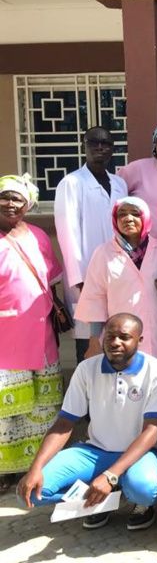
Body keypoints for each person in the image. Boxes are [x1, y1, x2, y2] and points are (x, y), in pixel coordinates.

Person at [17, 313, 157, 531]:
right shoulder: (86, 369)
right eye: (110, 336)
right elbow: (64, 425)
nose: (115, 342)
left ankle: (134, 500)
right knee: (33, 491)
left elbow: (151, 432)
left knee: (143, 490)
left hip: (141, 454)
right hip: (96, 452)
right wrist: (36, 467)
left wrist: (109, 476)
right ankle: (99, 501)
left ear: (140, 340)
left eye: (124, 337)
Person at [0, 175, 63, 491]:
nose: (11, 204)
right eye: (5, 197)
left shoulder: (38, 236)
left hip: (40, 333)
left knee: (39, 405)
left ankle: (34, 466)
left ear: (27, 204)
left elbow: (51, 280)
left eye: (17, 199)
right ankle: (3, 471)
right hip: (4, 338)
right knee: (5, 409)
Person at [54, 126, 128, 362]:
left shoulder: (119, 184)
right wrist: (79, 279)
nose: (99, 148)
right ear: (84, 147)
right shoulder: (72, 183)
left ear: (112, 150)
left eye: (105, 144)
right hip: (85, 279)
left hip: (116, 274)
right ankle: (86, 396)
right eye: (93, 143)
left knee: (115, 336)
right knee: (89, 342)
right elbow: (67, 234)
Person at [75, 197, 157, 366]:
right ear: (115, 220)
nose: (128, 219)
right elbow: (95, 300)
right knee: (123, 383)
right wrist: (94, 340)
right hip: (119, 336)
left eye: (135, 214)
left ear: (146, 218)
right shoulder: (103, 254)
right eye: (122, 214)